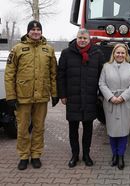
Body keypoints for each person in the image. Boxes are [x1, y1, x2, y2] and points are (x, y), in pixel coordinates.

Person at [5, 20, 58, 170]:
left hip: (41, 97)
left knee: (39, 127)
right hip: (23, 97)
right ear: (28, 31)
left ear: (41, 32)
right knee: (22, 128)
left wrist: (54, 94)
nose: (36, 32)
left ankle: (35, 155)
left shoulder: (49, 50)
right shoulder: (18, 49)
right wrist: (11, 96)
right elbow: (9, 74)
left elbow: (53, 74)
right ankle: (23, 156)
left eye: (38, 29)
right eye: (33, 29)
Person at [57, 28, 104, 168]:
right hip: (73, 97)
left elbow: (103, 76)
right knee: (73, 128)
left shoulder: (97, 53)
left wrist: (100, 95)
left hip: (90, 98)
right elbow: (60, 75)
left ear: (89, 40)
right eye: (80, 38)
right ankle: (74, 155)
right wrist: (62, 95)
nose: (82, 40)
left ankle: (86, 155)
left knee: (88, 128)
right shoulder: (66, 53)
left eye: (85, 38)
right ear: (76, 38)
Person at [99, 43, 130, 170]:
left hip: (125, 102)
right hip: (110, 102)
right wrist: (111, 97)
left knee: (123, 131)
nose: (120, 55)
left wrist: (122, 97)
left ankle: (121, 156)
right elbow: (102, 84)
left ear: (126, 54)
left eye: (123, 53)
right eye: (118, 52)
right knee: (112, 130)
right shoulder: (106, 67)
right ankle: (114, 155)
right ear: (113, 54)